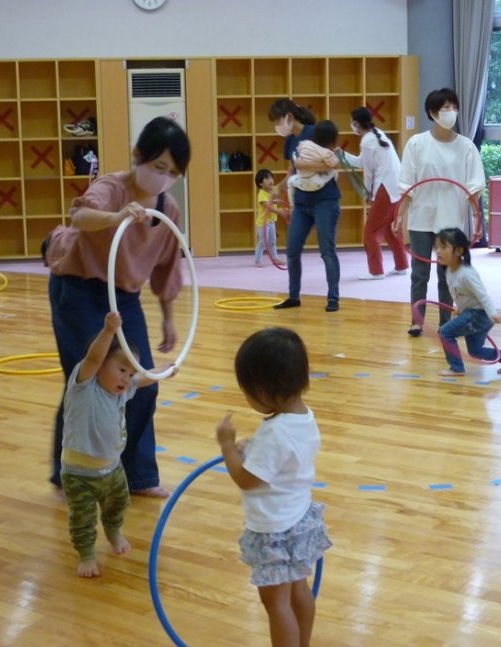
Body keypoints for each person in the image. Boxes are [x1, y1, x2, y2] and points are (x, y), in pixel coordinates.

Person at [45, 116, 190, 499]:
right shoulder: (112, 186)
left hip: (124, 296)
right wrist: (117, 216)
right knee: (87, 381)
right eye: (159, 167)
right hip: (78, 288)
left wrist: (169, 319)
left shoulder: (168, 211)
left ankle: (138, 475)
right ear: (138, 156)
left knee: (142, 381)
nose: (164, 178)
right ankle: (69, 475)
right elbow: (80, 216)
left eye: (173, 172)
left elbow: (167, 266)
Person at [216, 327, 332, 647]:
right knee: (298, 591)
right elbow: (282, 460)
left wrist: (227, 447)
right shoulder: (304, 417)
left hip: (273, 530)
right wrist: (251, 451)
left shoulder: (275, 433)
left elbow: (247, 480)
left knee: (276, 603)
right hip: (298, 520)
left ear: (264, 392)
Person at [61, 311, 176, 578]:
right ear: (101, 365)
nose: (126, 378)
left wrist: (165, 372)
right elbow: (93, 357)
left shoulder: (121, 392)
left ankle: (113, 531)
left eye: (130, 372)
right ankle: (87, 554)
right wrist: (108, 332)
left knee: (118, 505)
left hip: (113, 469)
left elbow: (143, 377)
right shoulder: (83, 385)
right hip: (79, 474)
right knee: (83, 517)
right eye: (121, 369)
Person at [396, 88, 485, 336]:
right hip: (422, 218)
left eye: (453, 107)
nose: (451, 112)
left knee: (448, 275)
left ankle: (446, 321)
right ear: (432, 113)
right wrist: (400, 216)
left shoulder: (466, 147)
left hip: (452, 220)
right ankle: (416, 321)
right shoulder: (417, 143)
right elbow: (406, 185)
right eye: (445, 108)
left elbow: (474, 187)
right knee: (419, 273)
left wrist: (477, 219)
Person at [268, 99, 342, 313]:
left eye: (278, 121)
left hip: (325, 200)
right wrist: (278, 189)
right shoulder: (290, 140)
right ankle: (293, 296)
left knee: (327, 250)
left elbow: (332, 162)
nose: (277, 126)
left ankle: (333, 298)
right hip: (301, 201)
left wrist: (304, 165)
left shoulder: (315, 132)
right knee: (292, 250)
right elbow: (292, 171)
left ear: (290, 117)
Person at [432, 228, 501, 377]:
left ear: (459, 251)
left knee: (445, 332)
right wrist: (460, 308)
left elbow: (482, 295)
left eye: (444, 247)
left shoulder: (466, 274)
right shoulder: (448, 271)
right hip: (473, 313)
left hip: (479, 315)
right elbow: (461, 294)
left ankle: (456, 368)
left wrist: (493, 313)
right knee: (475, 352)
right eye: (437, 247)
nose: (438, 251)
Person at [340, 106, 409, 280]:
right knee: (390, 228)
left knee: (370, 231)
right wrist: (343, 155)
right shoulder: (376, 134)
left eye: (352, 123)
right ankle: (401, 265)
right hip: (395, 185)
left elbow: (369, 171)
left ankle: (376, 271)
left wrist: (368, 193)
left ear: (356, 123)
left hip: (385, 187)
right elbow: (364, 163)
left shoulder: (367, 141)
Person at [287, 120, 340, 196]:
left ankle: (292, 204)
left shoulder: (305, 143)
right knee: (334, 172)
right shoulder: (325, 152)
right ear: (332, 139)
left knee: (290, 182)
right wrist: (335, 155)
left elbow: (298, 154)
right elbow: (335, 164)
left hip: (301, 181)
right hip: (316, 184)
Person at [254, 169, 286, 267]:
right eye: (267, 178)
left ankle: (275, 258)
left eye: (271, 177)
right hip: (263, 224)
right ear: (260, 183)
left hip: (271, 222)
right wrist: (280, 211)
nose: (271, 180)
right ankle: (257, 261)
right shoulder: (261, 194)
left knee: (272, 241)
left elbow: (281, 187)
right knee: (263, 242)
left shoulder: (272, 190)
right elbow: (268, 206)